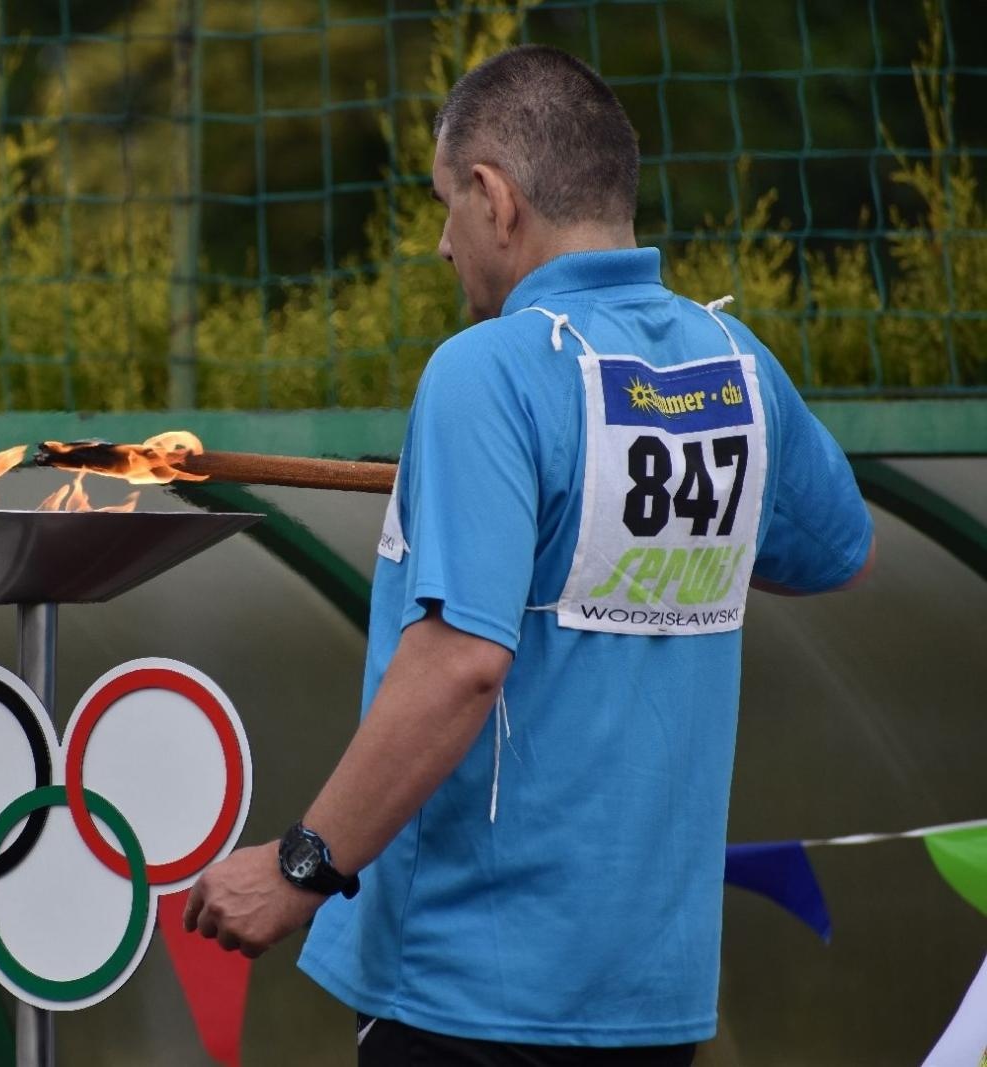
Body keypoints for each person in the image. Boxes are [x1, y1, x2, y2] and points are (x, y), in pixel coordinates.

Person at [182, 43, 875, 1066]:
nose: (439, 242)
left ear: (493, 195)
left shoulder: (485, 371)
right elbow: (836, 546)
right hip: (653, 1003)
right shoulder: (737, 368)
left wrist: (300, 865)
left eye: (441, 204)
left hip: (464, 996)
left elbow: (461, 663)